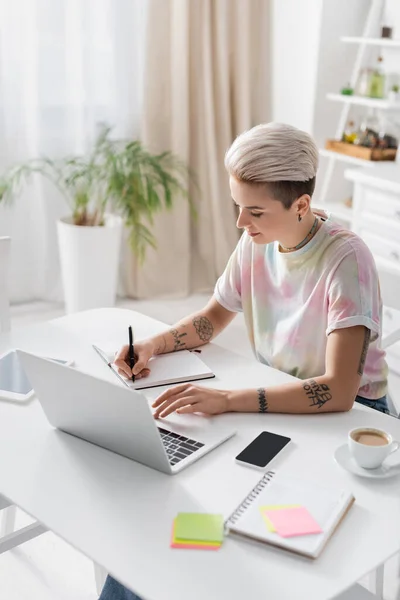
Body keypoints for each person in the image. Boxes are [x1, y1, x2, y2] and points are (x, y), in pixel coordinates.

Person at [99, 122, 388, 600]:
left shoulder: (346, 259)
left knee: (234, 522)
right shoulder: (258, 241)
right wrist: (152, 345)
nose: (240, 222)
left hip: (349, 425)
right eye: (238, 207)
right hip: (279, 403)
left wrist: (226, 399)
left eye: (254, 211)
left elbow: (338, 390)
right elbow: (213, 318)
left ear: (302, 206)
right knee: (170, 512)